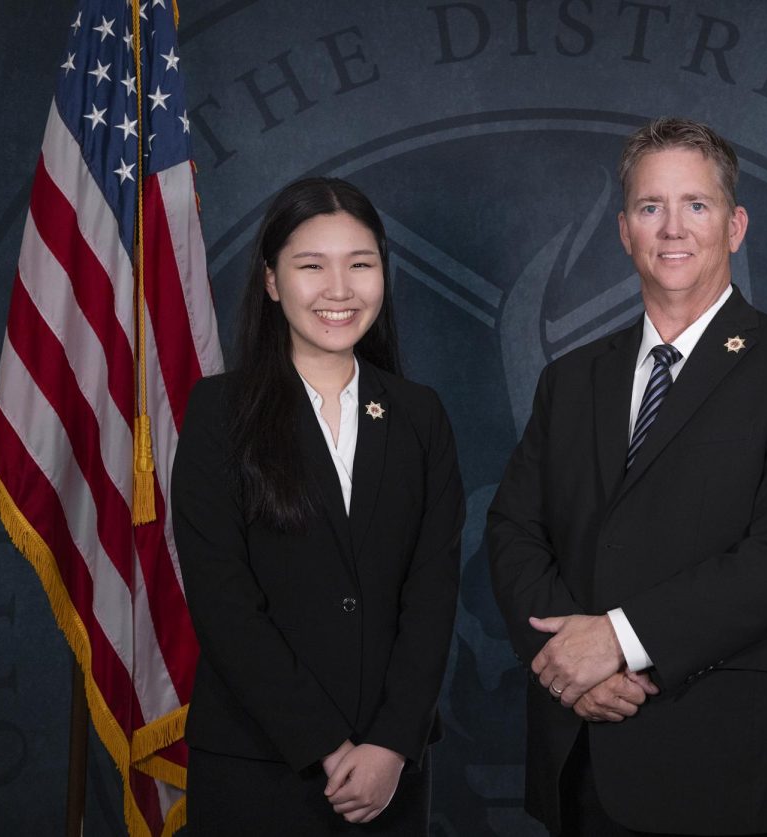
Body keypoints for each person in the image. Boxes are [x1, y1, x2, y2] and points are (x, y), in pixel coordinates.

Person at [487, 117, 767, 836]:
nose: (672, 228)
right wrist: (570, 661)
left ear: (736, 224)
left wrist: (618, 640)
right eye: (650, 207)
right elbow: (513, 527)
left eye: (697, 204)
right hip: (584, 750)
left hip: (722, 764)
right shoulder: (570, 379)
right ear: (624, 230)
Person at [172, 177, 464, 834]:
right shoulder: (219, 413)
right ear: (273, 281)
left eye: (360, 264)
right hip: (256, 763)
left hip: (390, 773)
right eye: (311, 266)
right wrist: (328, 748)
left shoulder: (420, 415)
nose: (339, 289)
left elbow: (432, 594)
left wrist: (389, 746)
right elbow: (223, 603)